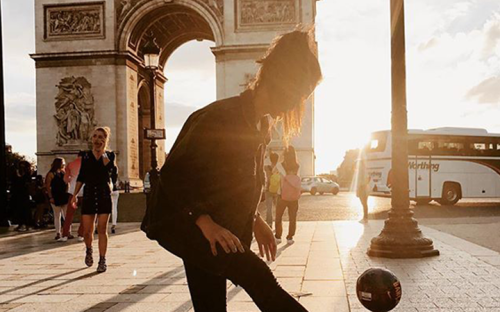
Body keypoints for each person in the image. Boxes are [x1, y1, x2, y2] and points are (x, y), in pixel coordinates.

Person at [142, 27, 322, 312]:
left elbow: (230, 184)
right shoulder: (217, 118)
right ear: (281, 81)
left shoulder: (258, 126)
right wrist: (205, 222)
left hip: (216, 234)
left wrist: (255, 220)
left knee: (210, 308)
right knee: (264, 285)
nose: (294, 105)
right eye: (298, 95)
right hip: (206, 233)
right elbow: (176, 175)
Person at [70, 127, 117, 273]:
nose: (97, 139)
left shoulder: (110, 156)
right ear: (91, 139)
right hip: (89, 194)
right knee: (87, 231)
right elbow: (81, 177)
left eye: (101, 137)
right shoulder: (85, 156)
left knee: (102, 229)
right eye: (95, 136)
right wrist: (74, 195)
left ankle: (102, 260)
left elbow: (113, 175)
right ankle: (89, 249)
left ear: (105, 140)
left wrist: (106, 161)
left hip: (103, 194)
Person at [274, 145, 301, 245]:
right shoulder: (298, 166)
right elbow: (298, 179)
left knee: (278, 217)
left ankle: (278, 236)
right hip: (294, 196)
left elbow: (277, 174)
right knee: (292, 218)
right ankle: (290, 237)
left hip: (282, 195)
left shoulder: (280, 165)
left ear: (285, 154)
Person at [61, 151, 85, 242]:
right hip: (85, 190)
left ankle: (65, 234)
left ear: (77, 156)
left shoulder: (70, 164)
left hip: (73, 191)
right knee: (84, 214)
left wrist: (71, 179)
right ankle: (81, 234)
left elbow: (66, 180)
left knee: (69, 215)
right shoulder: (87, 165)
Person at [45, 157, 69, 240]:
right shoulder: (51, 174)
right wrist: (50, 197)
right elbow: (48, 186)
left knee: (66, 215)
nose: (64, 164)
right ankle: (58, 232)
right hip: (55, 196)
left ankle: (67, 231)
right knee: (57, 215)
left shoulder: (63, 172)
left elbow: (67, 184)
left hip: (63, 195)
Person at [11, 161, 33, 232]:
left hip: (24, 194)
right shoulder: (15, 173)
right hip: (17, 194)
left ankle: (27, 224)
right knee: (18, 209)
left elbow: (28, 183)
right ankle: (20, 224)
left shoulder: (27, 174)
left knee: (25, 209)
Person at [264, 152, 280, 228]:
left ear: (270, 159)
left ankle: (269, 224)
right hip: (277, 190)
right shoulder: (279, 168)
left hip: (268, 189)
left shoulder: (267, 168)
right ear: (277, 159)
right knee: (278, 209)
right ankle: (278, 223)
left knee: (269, 208)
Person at [356, 154, 370, 222]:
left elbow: (363, 179)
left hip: (363, 187)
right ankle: (365, 216)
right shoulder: (362, 169)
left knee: (363, 202)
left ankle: (365, 216)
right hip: (363, 187)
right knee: (364, 202)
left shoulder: (362, 170)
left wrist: (361, 186)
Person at [110, 165, 119, 234]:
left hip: (106, 190)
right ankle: (113, 224)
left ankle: (98, 225)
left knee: (102, 208)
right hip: (115, 189)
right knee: (114, 208)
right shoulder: (114, 168)